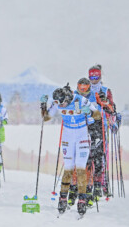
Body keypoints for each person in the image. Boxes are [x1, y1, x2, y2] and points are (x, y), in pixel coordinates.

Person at [41, 83, 100, 216]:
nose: (61, 106)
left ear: (67, 99)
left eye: (62, 104)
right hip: (68, 136)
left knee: (80, 168)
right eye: (59, 104)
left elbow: (98, 116)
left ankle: (82, 200)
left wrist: (90, 112)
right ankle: (62, 199)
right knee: (68, 168)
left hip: (82, 135)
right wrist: (43, 105)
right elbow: (46, 118)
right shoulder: (57, 102)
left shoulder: (80, 100)